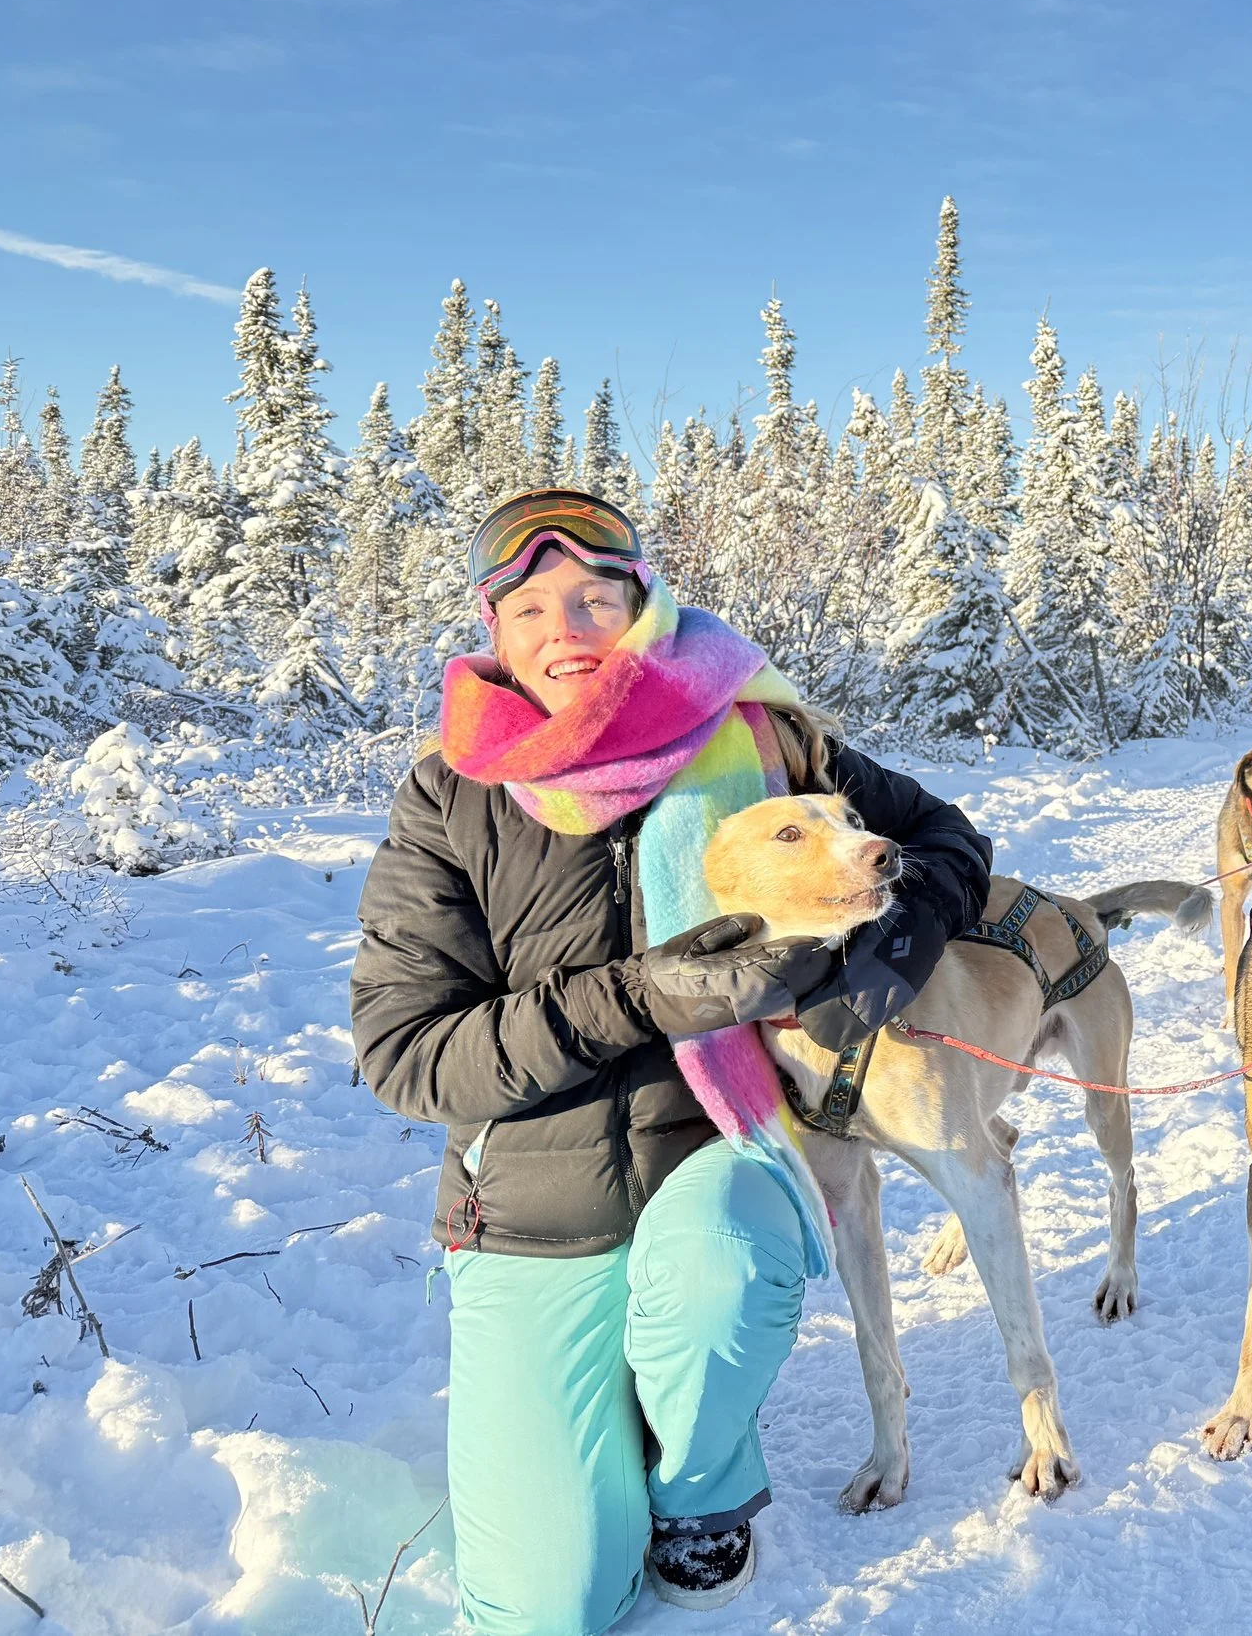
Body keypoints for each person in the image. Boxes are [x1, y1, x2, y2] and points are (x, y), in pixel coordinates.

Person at [350, 489, 990, 1634]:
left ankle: (699, 1491)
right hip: (532, 1206)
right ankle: (623, 1415)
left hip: (725, 1139)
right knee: (550, 1608)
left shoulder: (763, 734)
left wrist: (896, 945)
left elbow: (942, 839)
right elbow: (406, 1055)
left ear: (643, 611)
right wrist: (641, 998)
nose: (568, 628)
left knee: (724, 1269)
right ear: (492, 635)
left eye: (598, 598)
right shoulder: (452, 795)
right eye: (533, 607)